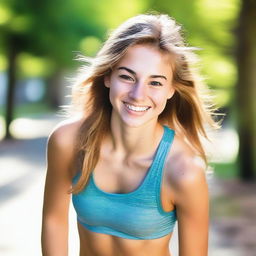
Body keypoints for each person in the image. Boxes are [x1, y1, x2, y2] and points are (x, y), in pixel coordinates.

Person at [41, 13, 219, 256]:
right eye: (127, 76)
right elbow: (54, 222)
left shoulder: (184, 172)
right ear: (108, 76)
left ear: (171, 90)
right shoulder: (67, 141)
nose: (137, 94)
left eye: (155, 83)